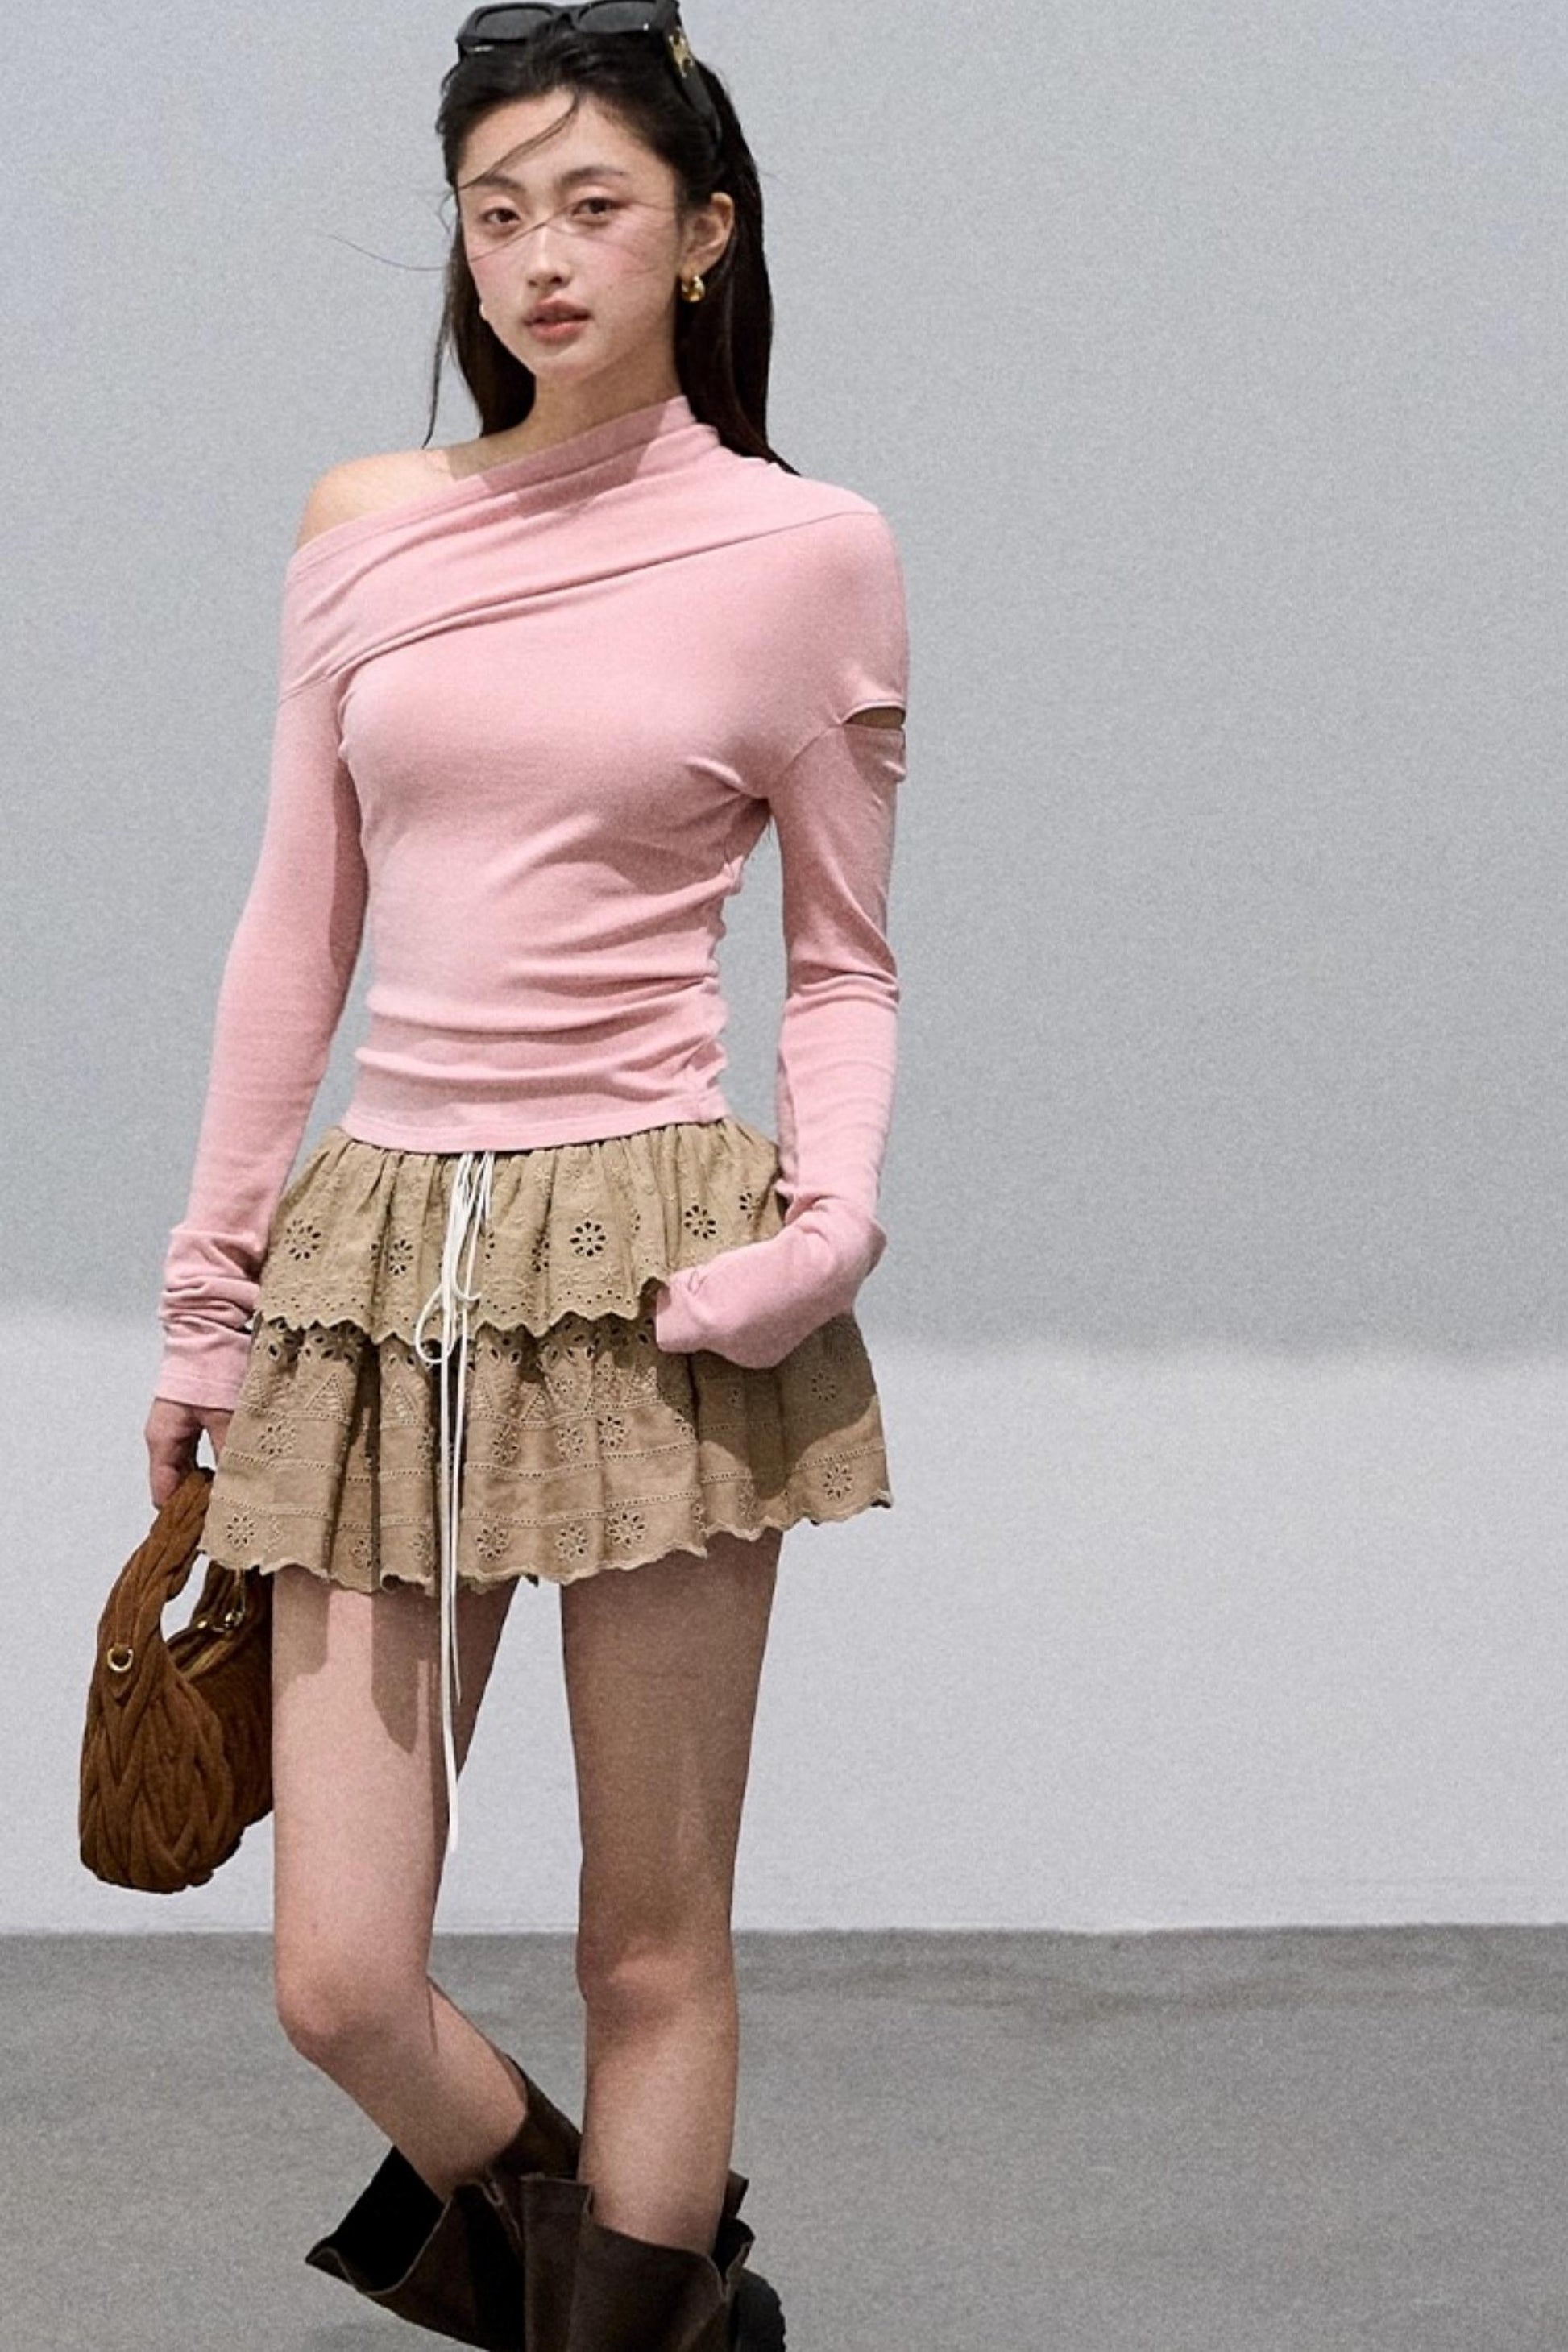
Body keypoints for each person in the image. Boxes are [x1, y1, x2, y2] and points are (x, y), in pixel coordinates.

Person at [143, 6, 909, 2347]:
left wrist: (824, 1232)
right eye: (498, 214)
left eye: (594, 207)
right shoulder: (368, 529)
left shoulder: (808, 551)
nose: (542, 258)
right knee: (339, 1971)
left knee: (647, 1942)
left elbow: (846, 960)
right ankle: (677, 2315)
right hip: (373, 1267)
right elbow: (296, 928)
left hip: (654, 1258)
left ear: (704, 233)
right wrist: (206, 1299)